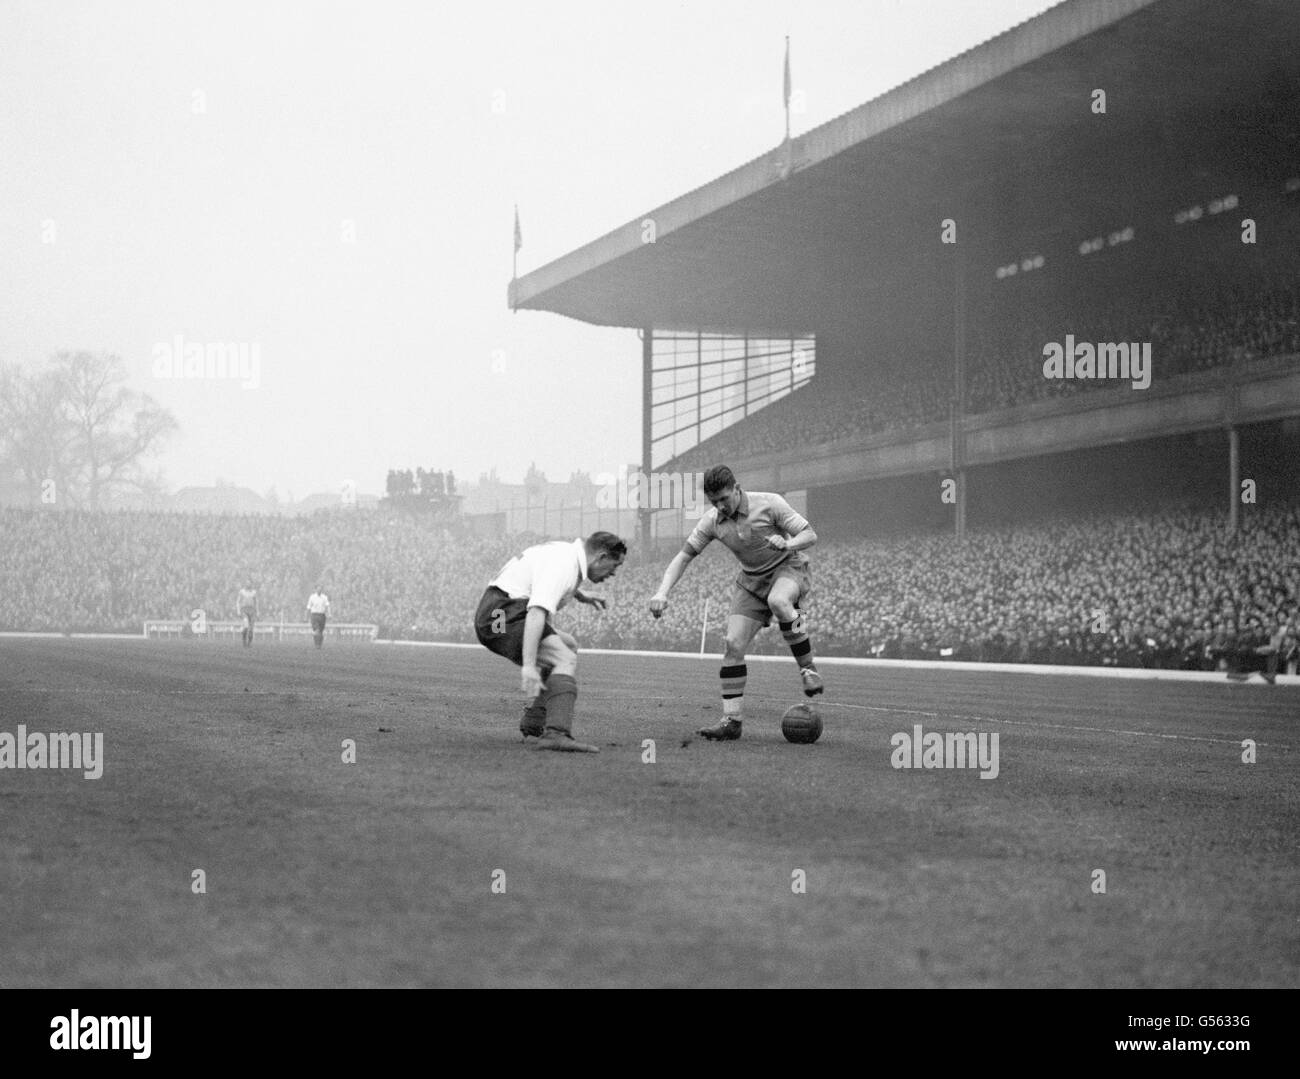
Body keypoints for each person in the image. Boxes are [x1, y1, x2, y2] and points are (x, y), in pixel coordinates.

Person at [649, 464, 823, 741]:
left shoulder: (770, 503)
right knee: (733, 644)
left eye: (724, 498)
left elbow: (809, 535)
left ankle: (807, 668)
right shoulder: (711, 521)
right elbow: (683, 556)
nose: (720, 506)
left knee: (780, 601)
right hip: (751, 582)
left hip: (788, 568)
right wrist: (662, 592)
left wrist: (788, 544)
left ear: (737, 489)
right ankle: (732, 721)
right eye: (714, 501)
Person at [474, 531, 626, 752]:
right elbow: (536, 612)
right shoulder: (564, 564)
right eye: (615, 565)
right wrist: (528, 665)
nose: (613, 573)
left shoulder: (565, 554)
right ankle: (557, 733)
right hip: (502, 616)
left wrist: (581, 595)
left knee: (568, 645)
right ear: (601, 557)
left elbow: (540, 576)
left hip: (499, 611)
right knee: (564, 657)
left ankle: (535, 721)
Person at [236, 580, 258, 647]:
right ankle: (244, 640)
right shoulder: (242, 592)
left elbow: (256, 602)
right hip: (244, 610)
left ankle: (249, 643)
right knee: (246, 625)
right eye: (247, 583)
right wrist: (238, 610)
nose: (248, 584)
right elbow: (238, 601)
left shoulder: (254, 592)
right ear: (245, 584)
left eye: (249, 583)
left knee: (251, 628)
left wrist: (257, 611)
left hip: (252, 610)